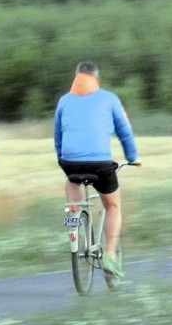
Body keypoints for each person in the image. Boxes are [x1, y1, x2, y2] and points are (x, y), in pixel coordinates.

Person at [53, 61, 139, 279]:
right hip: (100, 164)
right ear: (96, 78)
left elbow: (58, 137)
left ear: (76, 77)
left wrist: (63, 160)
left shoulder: (64, 101)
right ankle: (110, 256)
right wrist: (132, 157)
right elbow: (125, 132)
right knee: (113, 206)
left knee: (71, 180)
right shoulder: (109, 98)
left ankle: (72, 222)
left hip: (69, 162)